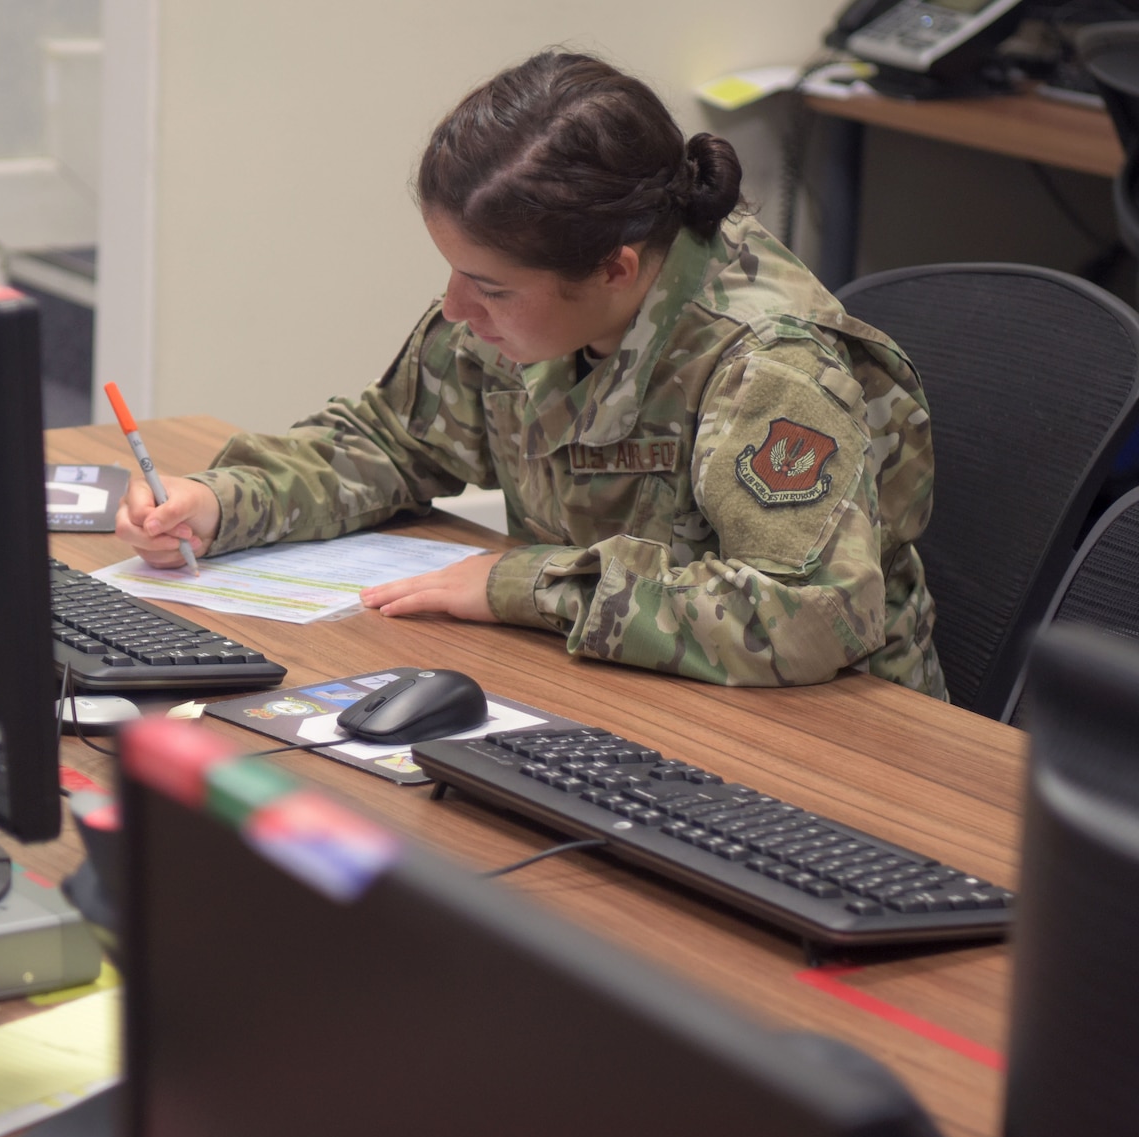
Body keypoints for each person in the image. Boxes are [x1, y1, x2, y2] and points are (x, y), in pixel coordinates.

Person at [115, 51, 947, 699]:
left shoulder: (772, 364)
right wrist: (225, 501)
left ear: (617, 269)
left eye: (489, 286)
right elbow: (389, 442)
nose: (455, 309)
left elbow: (804, 618)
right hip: (623, 693)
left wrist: (524, 585)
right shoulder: (523, 307)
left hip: (833, 752)